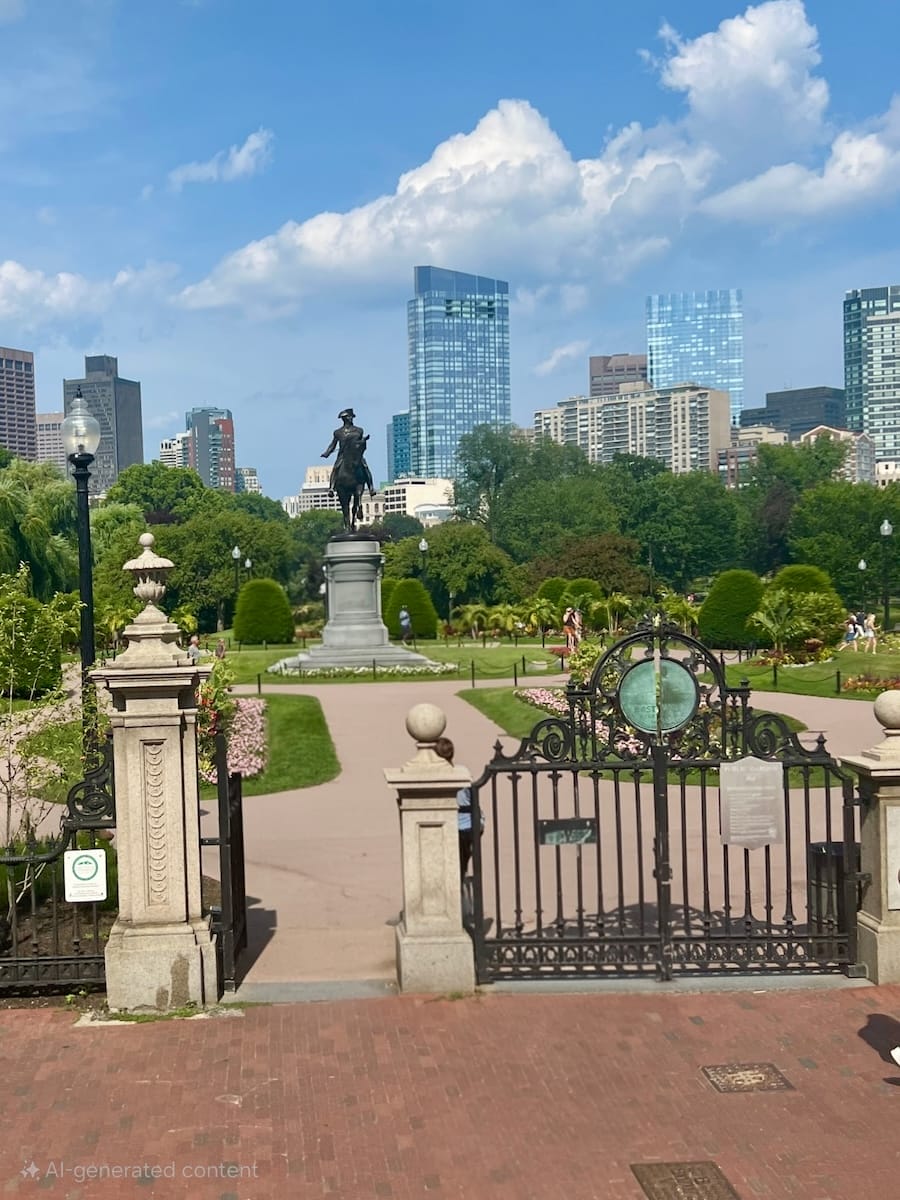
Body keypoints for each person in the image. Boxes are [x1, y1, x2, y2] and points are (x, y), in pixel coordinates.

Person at [434, 736, 482, 882]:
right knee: (461, 863)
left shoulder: (436, 775)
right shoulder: (462, 771)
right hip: (471, 825)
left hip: (452, 826)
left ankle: (457, 885)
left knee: (449, 864)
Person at [320, 408, 376, 497]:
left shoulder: (359, 430)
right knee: (336, 468)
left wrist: (363, 441)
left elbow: (360, 442)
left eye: (350, 417)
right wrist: (327, 453)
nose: (349, 418)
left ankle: (371, 488)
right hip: (343, 455)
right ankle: (332, 487)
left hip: (356, 455)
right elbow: (333, 444)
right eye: (347, 417)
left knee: (365, 467)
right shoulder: (338, 432)